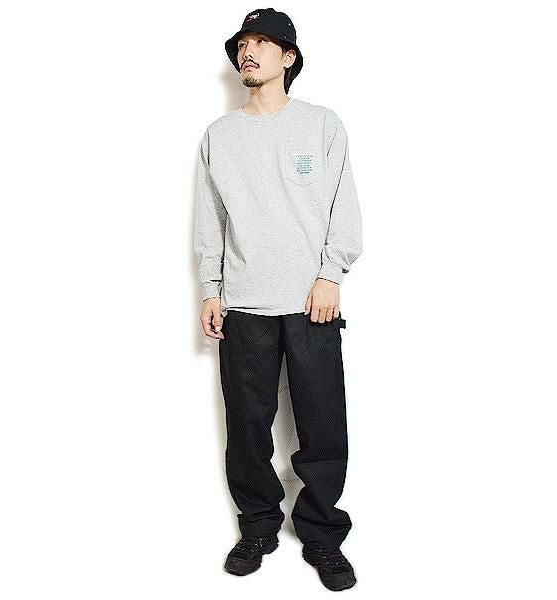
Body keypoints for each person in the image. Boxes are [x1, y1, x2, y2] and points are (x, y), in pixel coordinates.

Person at [193, 8, 363, 592]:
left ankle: (322, 534)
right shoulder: (219, 135)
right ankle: (259, 526)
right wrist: (212, 288)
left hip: (313, 302)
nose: (248, 52)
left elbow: (343, 206)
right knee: (246, 428)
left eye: (262, 42)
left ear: (288, 57)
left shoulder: (321, 125)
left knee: (322, 426)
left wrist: (331, 275)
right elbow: (211, 219)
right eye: (243, 43)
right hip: (244, 304)